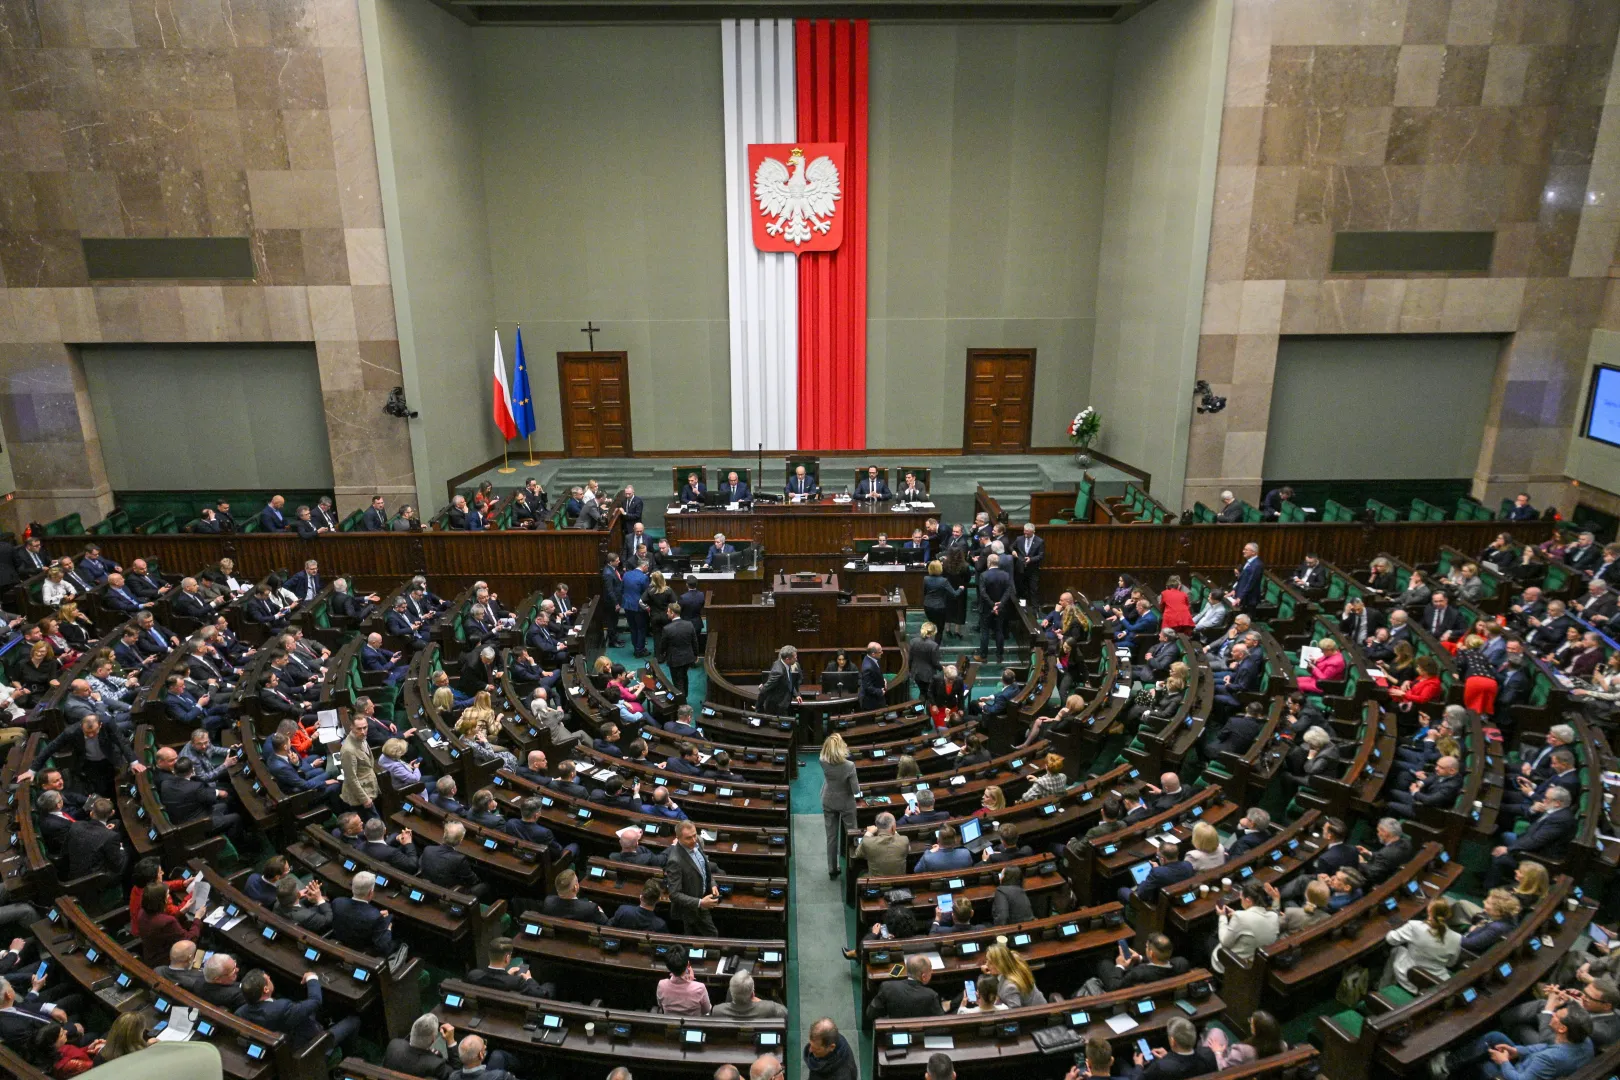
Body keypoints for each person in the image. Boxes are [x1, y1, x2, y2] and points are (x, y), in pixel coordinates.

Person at [1433, 1002, 1593, 1080]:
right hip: (1527, 1064)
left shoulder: (1548, 1059)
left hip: (1519, 1074)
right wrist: (1517, 1051)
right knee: (1495, 1037)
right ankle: (1448, 1065)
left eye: (1557, 1015)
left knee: (1484, 1067)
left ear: (1562, 1028)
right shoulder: (1585, 1041)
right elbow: (1547, 1045)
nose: (1553, 1014)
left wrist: (1504, 1062)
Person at [237, 967, 361, 1051]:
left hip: (284, 1039)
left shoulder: (240, 1013)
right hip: (310, 1047)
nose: (270, 978)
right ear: (265, 989)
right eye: (268, 979)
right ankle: (347, 1056)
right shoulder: (282, 1008)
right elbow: (316, 1001)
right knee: (354, 1020)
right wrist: (312, 978)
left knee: (307, 1006)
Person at [1383, 898, 1461, 994]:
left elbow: (1391, 940)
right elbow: (1450, 964)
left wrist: (1396, 928)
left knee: (1397, 949)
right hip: (1437, 982)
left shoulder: (1414, 926)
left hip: (1410, 976)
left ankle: (1383, 986)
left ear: (1429, 910)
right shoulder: (1457, 938)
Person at [666, 819, 722, 935]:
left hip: (703, 898)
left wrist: (712, 884)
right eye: (688, 838)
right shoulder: (674, 861)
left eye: (694, 835)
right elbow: (674, 894)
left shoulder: (696, 845)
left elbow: (704, 871)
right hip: (692, 909)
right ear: (678, 838)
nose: (693, 840)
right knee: (711, 936)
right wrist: (700, 902)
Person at [1213, 881, 1279, 974]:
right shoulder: (1274, 916)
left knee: (1210, 941)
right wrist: (1236, 914)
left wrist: (1222, 916)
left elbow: (1225, 943)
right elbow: (1256, 919)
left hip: (1238, 965)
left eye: (1241, 899)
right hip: (1259, 965)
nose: (1241, 901)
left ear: (1248, 900)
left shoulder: (1240, 917)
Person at [820, 733, 858, 880]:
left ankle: (832, 869)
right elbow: (856, 790)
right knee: (852, 834)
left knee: (831, 837)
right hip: (846, 803)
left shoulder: (822, 760)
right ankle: (852, 866)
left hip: (828, 800)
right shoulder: (849, 765)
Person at [1132, 1016, 1216, 1080]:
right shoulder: (1208, 1054)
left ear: (1172, 1041)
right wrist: (1168, 1056)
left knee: (1122, 1064)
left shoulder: (1160, 1066)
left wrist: (1139, 1065)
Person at [865, 954, 945, 1020]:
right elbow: (941, 1022)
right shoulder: (931, 995)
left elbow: (871, 1013)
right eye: (931, 970)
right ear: (923, 976)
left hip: (893, 1031)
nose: (932, 972)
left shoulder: (887, 987)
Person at [977, 553, 1016, 662]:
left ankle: (983, 656)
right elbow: (1008, 591)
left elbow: (983, 593)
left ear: (988, 563)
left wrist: (992, 605)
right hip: (1001, 608)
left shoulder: (984, 575)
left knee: (984, 631)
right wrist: (1000, 604)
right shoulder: (1006, 575)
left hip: (986, 608)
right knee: (999, 630)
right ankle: (999, 656)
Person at [984, 941, 1045, 1007]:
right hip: (1040, 1003)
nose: (986, 964)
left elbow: (1015, 1014)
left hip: (1036, 1013)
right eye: (987, 960)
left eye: (990, 962)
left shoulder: (1009, 987)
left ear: (1000, 965)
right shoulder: (1014, 961)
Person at [656, 945, 712, 1016]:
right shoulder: (700, 988)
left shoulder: (661, 985)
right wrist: (692, 984)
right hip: (693, 1025)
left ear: (668, 967)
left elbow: (660, 1005)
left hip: (670, 1024)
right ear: (688, 964)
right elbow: (706, 1010)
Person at [712, 970, 788, 1019]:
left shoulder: (717, 1011)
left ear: (731, 993)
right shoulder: (769, 1007)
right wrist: (760, 1001)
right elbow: (785, 1012)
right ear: (752, 994)